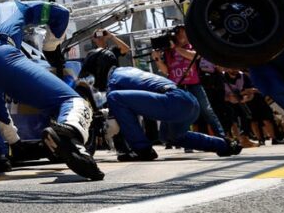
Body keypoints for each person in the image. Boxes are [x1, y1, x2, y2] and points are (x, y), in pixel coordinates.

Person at [0, 0, 104, 181]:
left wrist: (14, 142)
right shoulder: (19, 6)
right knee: (73, 101)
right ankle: (69, 132)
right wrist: (51, 45)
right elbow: (61, 12)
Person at [81, 49, 242, 161]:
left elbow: (115, 121)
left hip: (173, 102)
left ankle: (142, 149)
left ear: (99, 66)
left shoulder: (114, 80)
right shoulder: (126, 70)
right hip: (187, 102)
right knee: (170, 137)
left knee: (115, 97)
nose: (94, 77)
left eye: (93, 72)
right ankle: (225, 145)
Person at [152, 26, 226, 139]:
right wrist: (157, 59)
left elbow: (194, 56)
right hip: (176, 85)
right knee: (179, 112)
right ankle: (179, 139)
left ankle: (221, 136)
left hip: (194, 83)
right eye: (178, 33)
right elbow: (166, 70)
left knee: (206, 110)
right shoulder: (168, 51)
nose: (180, 35)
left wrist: (175, 48)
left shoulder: (194, 45)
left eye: (182, 32)